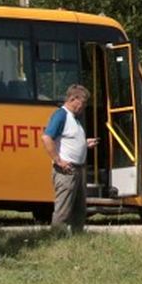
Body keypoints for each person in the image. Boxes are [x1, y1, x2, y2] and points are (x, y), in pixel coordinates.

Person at [42, 84, 98, 234]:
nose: (84, 106)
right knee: (63, 208)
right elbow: (47, 137)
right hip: (66, 170)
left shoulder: (74, 119)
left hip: (78, 169)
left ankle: (77, 237)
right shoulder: (61, 115)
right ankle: (57, 237)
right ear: (73, 99)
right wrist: (58, 160)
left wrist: (85, 143)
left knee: (79, 208)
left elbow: (68, 140)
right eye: (83, 102)